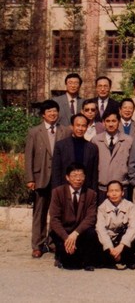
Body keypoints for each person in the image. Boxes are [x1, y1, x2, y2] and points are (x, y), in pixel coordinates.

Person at [24, 99, 71, 258]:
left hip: (59, 177)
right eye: (49, 111)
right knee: (39, 212)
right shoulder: (34, 132)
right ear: (43, 114)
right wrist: (30, 178)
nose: (52, 113)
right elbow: (28, 156)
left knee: (56, 212)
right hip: (40, 177)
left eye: (55, 111)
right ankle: (37, 244)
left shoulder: (65, 131)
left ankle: (52, 242)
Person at [49, 163, 99, 270]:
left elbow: (91, 218)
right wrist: (67, 238)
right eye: (74, 175)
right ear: (67, 177)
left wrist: (75, 233)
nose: (78, 179)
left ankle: (87, 261)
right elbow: (54, 219)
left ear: (85, 177)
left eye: (81, 175)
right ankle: (61, 255)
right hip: (63, 232)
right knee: (70, 265)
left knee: (91, 233)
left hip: (80, 232)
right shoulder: (57, 192)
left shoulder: (91, 194)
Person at [96, 180, 135, 270]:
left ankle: (126, 259)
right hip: (109, 239)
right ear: (107, 193)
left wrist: (122, 245)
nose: (114, 194)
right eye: (111, 191)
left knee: (134, 235)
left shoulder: (130, 206)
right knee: (97, 238)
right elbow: (100, 229)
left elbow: (133, 228)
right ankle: (113, 258)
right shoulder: (101, 208)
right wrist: (110, 247)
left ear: (122, 193)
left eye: (117, 191)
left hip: (123, 238)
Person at [92, 112, 133, 203]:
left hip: (122, 187)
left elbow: (132, 164)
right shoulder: (96, 140)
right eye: (108, 121)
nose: (111, 124)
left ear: (119, 122)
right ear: (103, 123)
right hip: (102, 188)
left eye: (114, 121)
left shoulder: (128, 140)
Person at [51, 114, 99, 192]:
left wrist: (93, 192)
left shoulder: (92, 148)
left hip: (85, 190)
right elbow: (56, 171)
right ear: (72, 126)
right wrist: (57, 191)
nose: (80, 128)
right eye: (78, 125)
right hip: (65, 188)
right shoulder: (61, 146)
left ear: (87, 127)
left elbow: (94, 175)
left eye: (83, 126)